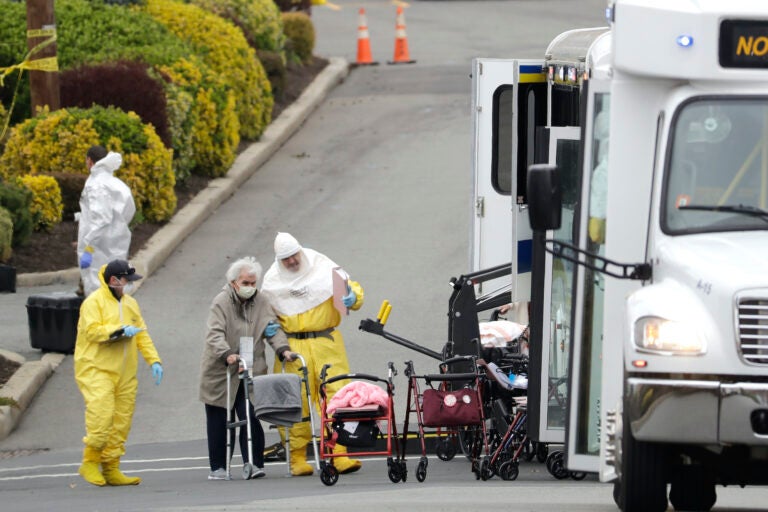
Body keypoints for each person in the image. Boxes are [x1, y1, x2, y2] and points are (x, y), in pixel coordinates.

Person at [261, 232, 363, 476]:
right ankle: (296, 457)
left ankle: (339, 452)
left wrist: (353, 298)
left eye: (294, 255)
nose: (292, 261)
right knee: (295, 401)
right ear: (279, 261)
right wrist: (265, 325)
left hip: (326, 341)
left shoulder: (322, 266)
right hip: (292, 348)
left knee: (337, 396)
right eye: (286, 259)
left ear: (301, 251)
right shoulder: (272, 282)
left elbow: (353, 288)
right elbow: (260, 309)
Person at [199, 257, 296, 481]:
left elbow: (271, 329)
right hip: (221, 367)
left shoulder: (261, 301)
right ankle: (218, 467)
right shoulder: (221, 301)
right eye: (246, 283)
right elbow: (214, 334)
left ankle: (253, 463)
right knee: (220, 419)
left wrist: (283, 349)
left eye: (253, 283)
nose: (250, 288)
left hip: (250, 367)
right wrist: (226, 353)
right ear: (234, 282)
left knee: (251, 415)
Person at [74, 259, 163, 487]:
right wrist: (119, 330)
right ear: (114, 280)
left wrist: (154, 360)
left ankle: (111, 467)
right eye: (126, 280)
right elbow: (92, 331)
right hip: (97, 369)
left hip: (125, 373)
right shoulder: (93, 303)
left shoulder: (130, 303)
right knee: (101, 418)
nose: (128, 285)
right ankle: (90, 462)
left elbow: (142, 333)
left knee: (121, 422)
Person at [77, 145, 136, 296]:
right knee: (116, 288)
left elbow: (101, 219)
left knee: (98, 290)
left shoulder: (96, 184)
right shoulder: (116, 184)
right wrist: (118, 229)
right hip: (117, 243)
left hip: (98, 247)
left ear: (90, 161)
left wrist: (88, 247)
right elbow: (129, 210)